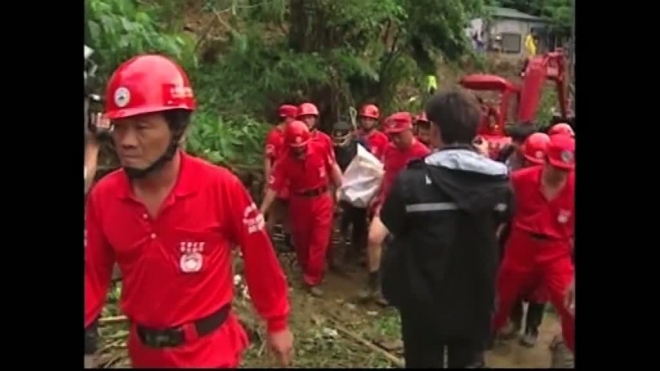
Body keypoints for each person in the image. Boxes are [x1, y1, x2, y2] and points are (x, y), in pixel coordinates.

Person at [84, 55, 293, 368]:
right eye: (120, 127)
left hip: (209, 353)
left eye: (141, 128)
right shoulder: (105, 197)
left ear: (177, 129)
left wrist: (276, 320)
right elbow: (92, 274)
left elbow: (259, 255)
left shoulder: (220, 187)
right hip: (145, 354)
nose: (126, 141)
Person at [380, 88, 512, 368]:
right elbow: (500, 226)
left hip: (423, 303)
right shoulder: (500, 184)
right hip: (476, 300)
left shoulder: (412, 182)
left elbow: (392, 225)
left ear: (435, 130)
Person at [492, 134, 575, 355]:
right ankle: (489, 332)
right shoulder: (520, 180)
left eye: (566, 169)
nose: (561, 174)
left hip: (557, 250)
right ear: (545, 160)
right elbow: (501, 213)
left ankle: (570, 346)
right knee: (502, 294)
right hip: (521, 245)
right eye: (556, 167)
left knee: (569, 302)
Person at [260, 121, 343, 297]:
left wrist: (342, 188)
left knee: (319, 240)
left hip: (321, 198)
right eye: (295, 148)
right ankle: (308, 269)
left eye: (302, 147)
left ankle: (312, 278)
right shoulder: (284, 161)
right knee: (302, 240)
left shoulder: (320, 147)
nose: (299, 151)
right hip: (299, 202)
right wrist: (262, 211)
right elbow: (273, 188)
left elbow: (332, 166)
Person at [361, 112, 430, 302]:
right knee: (374, 238)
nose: (395, 139)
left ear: (410, 130)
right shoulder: (390, 149)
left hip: (410, 206)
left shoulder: (423, 154)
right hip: (388, 201)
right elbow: (386, 174)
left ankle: (393, 288)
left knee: (401, 248)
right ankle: (372, 283)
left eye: (399, 134)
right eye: (392, 135)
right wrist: (375, 195)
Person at [498, 133, 551, 348]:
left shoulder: (561, 181)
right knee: (514, 282)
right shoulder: (517, 179)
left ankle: (532, 328)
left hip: (547, 241)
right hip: (518, 235)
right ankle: (514, 320)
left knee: (541, 289)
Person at [331, 120, 370, 266]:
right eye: (336, 139)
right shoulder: (330, 148)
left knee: (358, 221)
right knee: (340, 222)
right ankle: (338, 253)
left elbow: (369, 166)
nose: (339, 142)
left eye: (342, 139)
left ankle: (356, 251)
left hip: (357, 189)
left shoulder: (360, 147)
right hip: (338, 188)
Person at [264, 104, 297, 249]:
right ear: (287, 118)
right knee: (274, 212)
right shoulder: (275, 135)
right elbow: (267, 159)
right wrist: (268, 180)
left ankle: (288, 239)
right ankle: (266, 240)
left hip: (289, 181)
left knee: (289, 211)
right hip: (278, 180)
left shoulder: (291, 134)